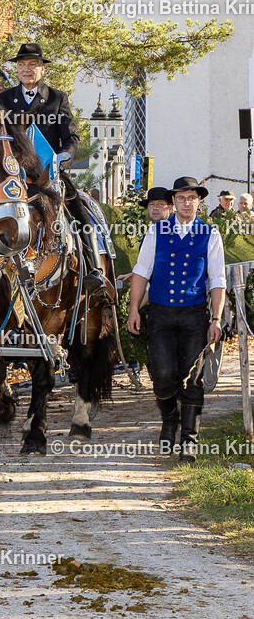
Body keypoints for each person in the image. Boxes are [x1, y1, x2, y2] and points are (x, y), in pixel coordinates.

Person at [128, 176, 226, 462]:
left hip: (194, 314)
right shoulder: (156, 232)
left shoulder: (211, 234)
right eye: (181, 198)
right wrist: (134, 308)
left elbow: (218, 280)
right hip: (159, 313)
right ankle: (170, 419)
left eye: (191, 198)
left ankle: (189, 439)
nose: (186, 203)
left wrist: (216, 318)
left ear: (199, 201)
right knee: (162, 375)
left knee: (192, 378)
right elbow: (141, 272)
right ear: (174, 202)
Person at [0, 42, 105, 295]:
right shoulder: (3, 99)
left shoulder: (57, 98)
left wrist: (61, 159)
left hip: (48, 171)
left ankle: (94, 268)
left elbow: (72, 139)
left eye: (32, 65)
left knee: (78, 207)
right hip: (13, 173)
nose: (26, 69)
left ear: (42, 69)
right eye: (21, 65)